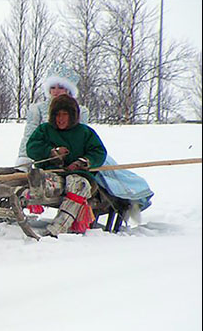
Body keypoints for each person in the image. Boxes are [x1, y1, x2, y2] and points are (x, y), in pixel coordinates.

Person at [16, 62, 154, 214]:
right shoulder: (37, 109)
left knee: (107, 175)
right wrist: (24, 161)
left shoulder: (80, 110)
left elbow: (81, 137)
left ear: (68, 89)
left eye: (60, 87)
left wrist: (82, 160)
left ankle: (122, 199)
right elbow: (29, 137)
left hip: (77, 156)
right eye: (53, 87)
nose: (56, 91)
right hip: (49, 158)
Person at [26, 94, 107, 237]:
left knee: (77, 184)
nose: (60, 119)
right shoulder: (45, 129)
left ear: (73, 116)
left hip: (80, 176)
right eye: (57, 114)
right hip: (54, 173)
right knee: (44, 180)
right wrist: (52, 153)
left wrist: (83, 162)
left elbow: (99, 152)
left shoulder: (84, 132)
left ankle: (58, 227)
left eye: (65, 114)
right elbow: (31, 147)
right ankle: (35, 191)